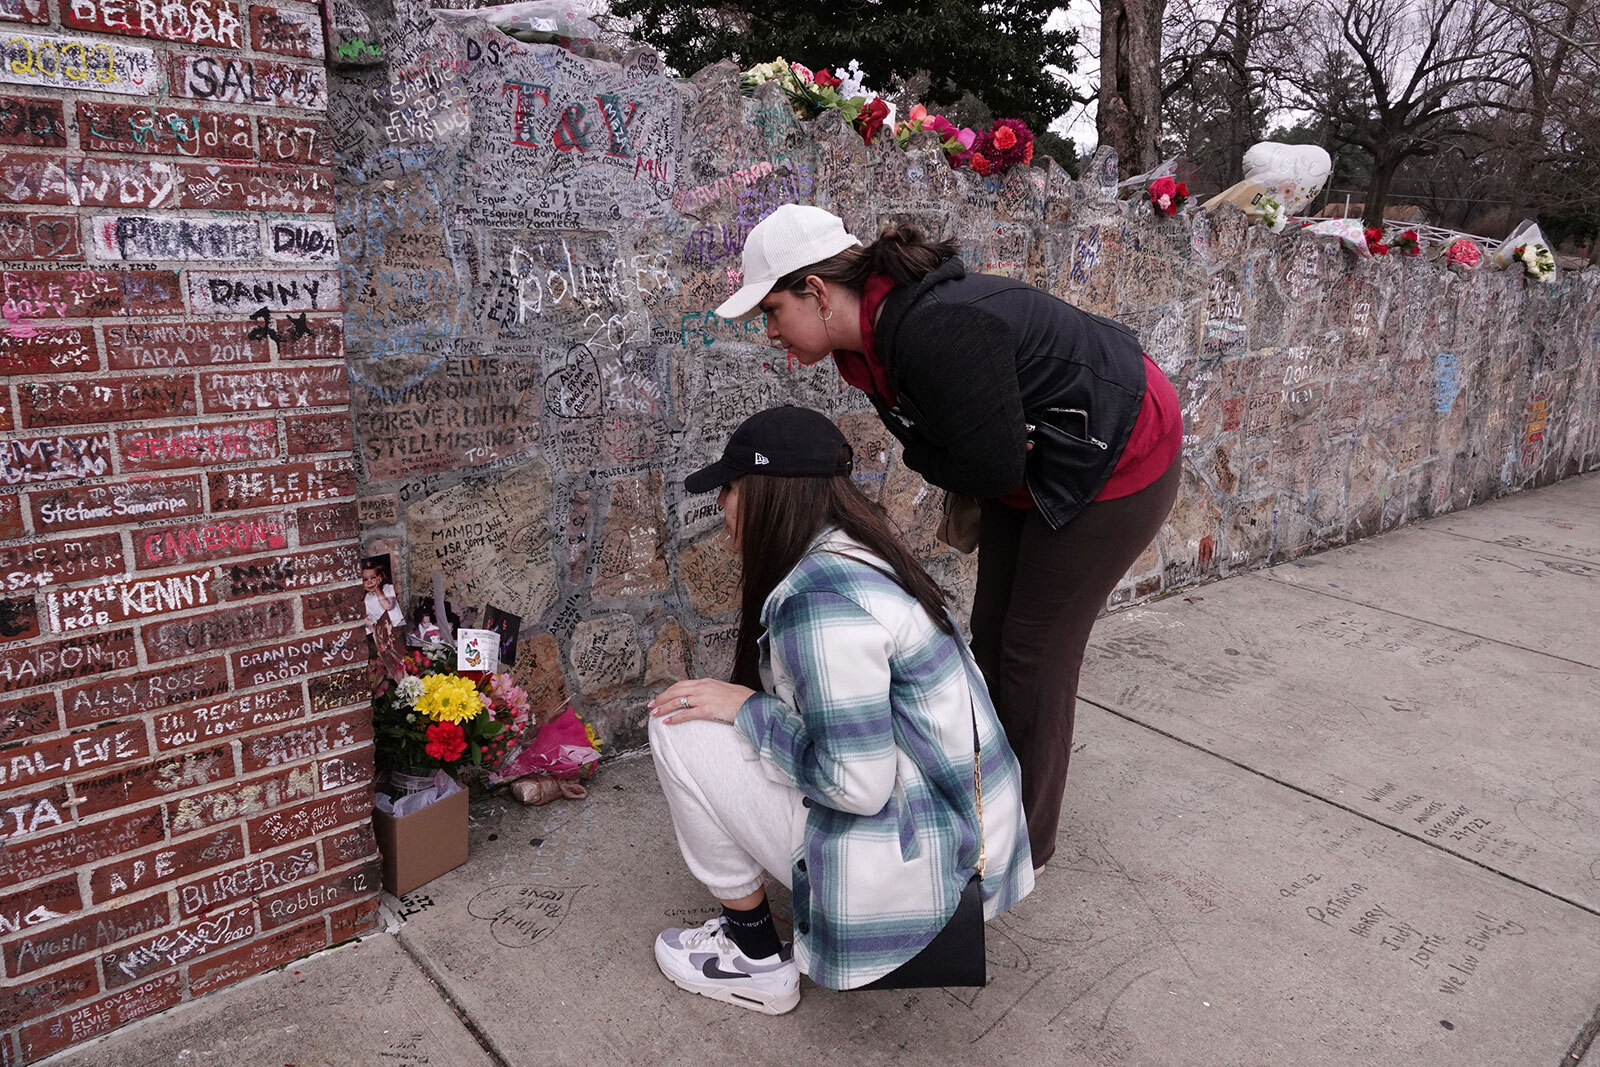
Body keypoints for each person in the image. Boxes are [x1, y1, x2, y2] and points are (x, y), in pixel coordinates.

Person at [713, 204, 1184, 867]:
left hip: (1120, 455)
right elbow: (965, 454)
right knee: (991, 635)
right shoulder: (871, 340)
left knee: (1032, 652)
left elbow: (981, 462)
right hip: (1037, 462)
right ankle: (981, 805)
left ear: (816, 291)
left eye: (770, 312)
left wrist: (962, 448)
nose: (770, 333)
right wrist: (964, 446)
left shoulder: (931, 329)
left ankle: (1019, 845)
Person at [648, 405, 1033, 1014]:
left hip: (925, 870)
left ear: (765, 494)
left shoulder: (818, 601)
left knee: (675, 724)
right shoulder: (857, 550)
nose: (720, 506)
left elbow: (856, 785)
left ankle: (752, 959)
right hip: (965, 836)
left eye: (728, 487)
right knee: (720, 716)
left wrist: (748, 709)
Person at [360, 557, 407, 675]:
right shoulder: (366, 598)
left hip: (395, 627)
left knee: (399, 656)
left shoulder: (387, 588)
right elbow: (368, 618)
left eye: (373, 578)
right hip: (380, 632)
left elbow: (388, 606)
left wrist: (378, 590)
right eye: (365, 580)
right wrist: (374, 633)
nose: (369, 582)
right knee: (383, 659)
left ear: (380, 577)